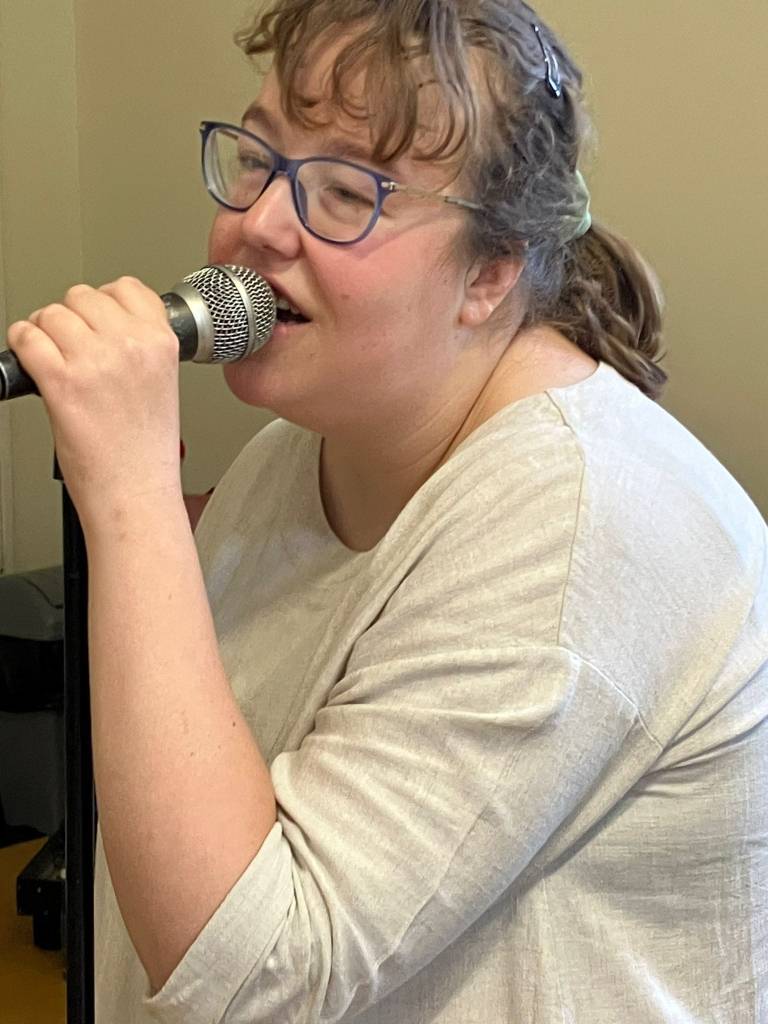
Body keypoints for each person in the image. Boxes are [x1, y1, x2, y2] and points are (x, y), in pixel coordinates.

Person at [7, 1, 767, 1021]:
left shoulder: (581, 528)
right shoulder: (299, 454)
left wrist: (131, 497)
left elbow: (252, 976)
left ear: (491, 272)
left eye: (344, 192)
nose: (259, 224)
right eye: (257, 159)